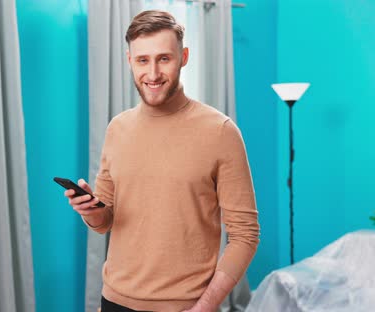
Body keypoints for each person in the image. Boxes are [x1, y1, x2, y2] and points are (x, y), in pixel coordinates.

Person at [64, 10, 260, 312]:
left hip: (187, 306)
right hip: (114, 301)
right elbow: (106, 222)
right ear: (130, 61)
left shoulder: (220, 131)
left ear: (183, 57)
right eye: (143, 60)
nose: (153, 74)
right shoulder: (117, 128)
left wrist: (205, 306)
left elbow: (245, 235)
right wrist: (89, 210)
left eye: (164, 59)